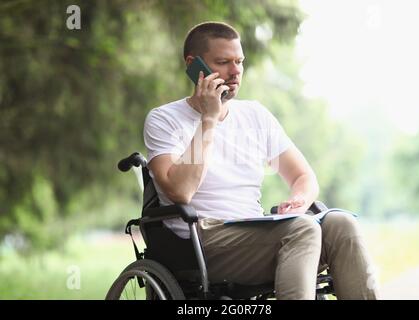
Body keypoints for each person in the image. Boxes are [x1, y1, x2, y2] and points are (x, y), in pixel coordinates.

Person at [143, 21, 379, 300]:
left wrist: (299, 201)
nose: (235, 72)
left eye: (239, 62)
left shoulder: (255, 115)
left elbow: (303, 177)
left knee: (341, 224)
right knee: (302, 229)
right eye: (223, 62)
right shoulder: (164, 119)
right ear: (195, 66)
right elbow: (181, 191)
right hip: (200, 241)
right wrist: (209, 119)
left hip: (256, 232)